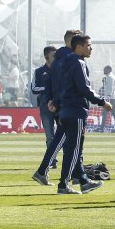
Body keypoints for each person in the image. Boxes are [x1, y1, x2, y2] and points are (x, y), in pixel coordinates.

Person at [55, 35, 113, 195]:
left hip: (65, 110)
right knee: (74, 151)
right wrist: (102, 102)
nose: (91, 48)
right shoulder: (78, 63)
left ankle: (84, 183)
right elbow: (84, 88)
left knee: (72, 150)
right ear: (79, 46)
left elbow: (60, 87)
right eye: (88, 45)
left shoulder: (63, 63)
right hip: (75, 111)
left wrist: (57, 102)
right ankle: (63, 185)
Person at [31, 30, 83, 185]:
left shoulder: (62, 58)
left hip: (59, 104)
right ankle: (74, 177)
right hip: (64, 106)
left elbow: (54, 83)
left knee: (65, 140)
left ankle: (74, 175)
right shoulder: (68, 59)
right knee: (62, 139)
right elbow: (64, 85)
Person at [29, 46, 56, 169]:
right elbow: (34, 89)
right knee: (50, 134)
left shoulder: (60, 70)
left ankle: (69, 159)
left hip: (60, 106)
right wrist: (48, 89)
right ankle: (52, 160)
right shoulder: (38, 71)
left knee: (65, 134)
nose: (56, 58)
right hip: (45, 107)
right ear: (46, 57)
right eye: (53, 55)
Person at [98, 65, 115, 132]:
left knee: (105, 113)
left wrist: (107, 98)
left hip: (110, 98)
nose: (103, 71)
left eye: (105, 69)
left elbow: (110, 88)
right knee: (114, 114)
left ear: (109, 69)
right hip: (113, 98)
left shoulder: (109, 77)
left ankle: (101, 129)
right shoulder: (112, 77)